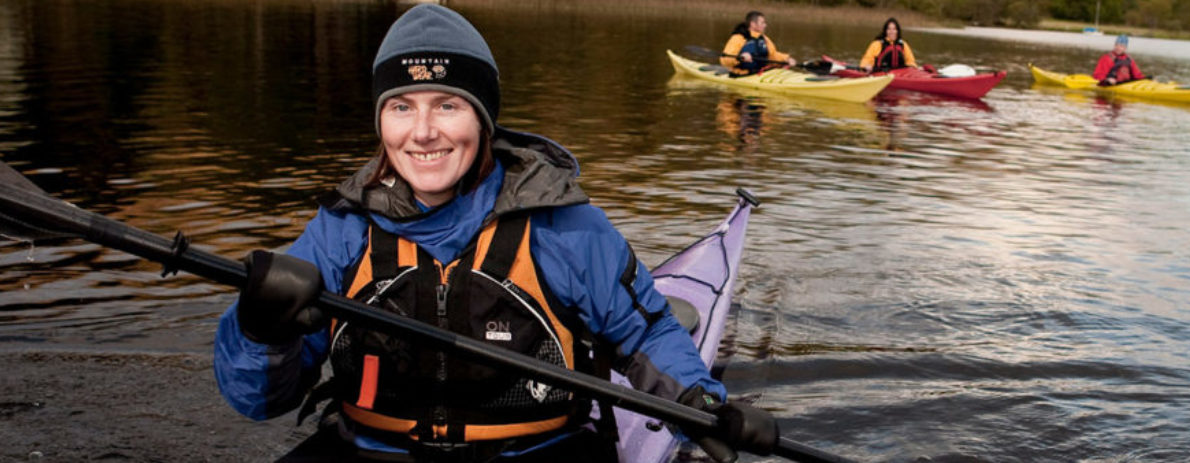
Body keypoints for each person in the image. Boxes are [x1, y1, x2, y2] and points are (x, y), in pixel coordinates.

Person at [212, 5, 774, 462]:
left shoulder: (564, 225)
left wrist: (704, 404)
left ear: (484, 119)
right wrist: (259, 329)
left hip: (538, 452)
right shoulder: (338, 231)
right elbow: (257, 402)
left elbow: (648, 332)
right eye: (401, 106)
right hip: (370, 451)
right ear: (380, 120)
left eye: (448, 105)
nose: (423, 132)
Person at [720, 11, 796, 76]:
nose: (765, 25)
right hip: (742, 75)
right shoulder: (738, 38)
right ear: (753, 24)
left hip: (761, 72)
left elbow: (772, 55)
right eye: (762, 23)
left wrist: (786, 59)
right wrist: (740, 57)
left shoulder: (764, 39)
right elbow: (725, 60)